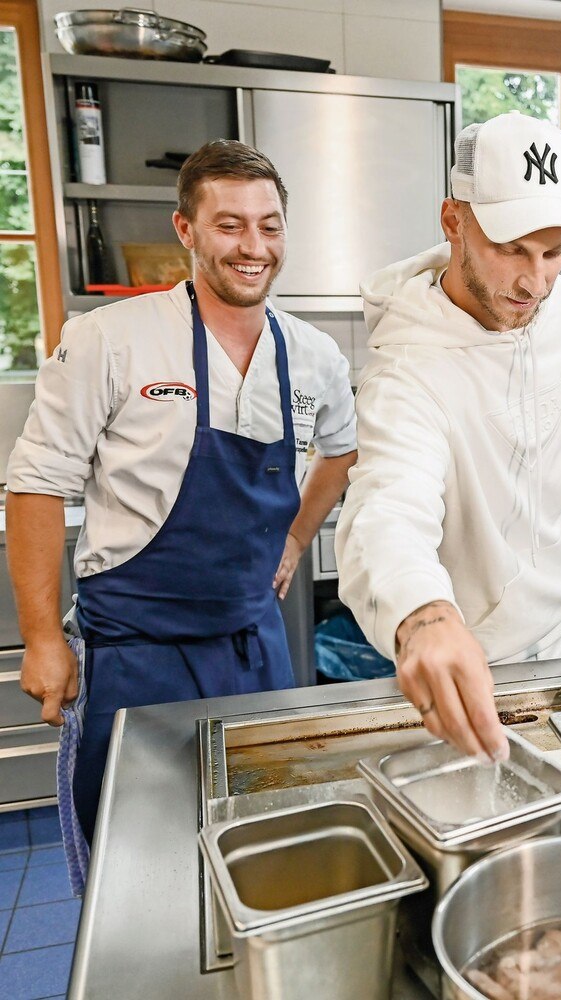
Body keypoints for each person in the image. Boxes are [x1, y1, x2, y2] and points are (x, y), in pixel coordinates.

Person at [6, 140, 358, 846]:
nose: (252, 245)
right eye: (229, 225)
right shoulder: (109, 340)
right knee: (141, 845)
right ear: (186, 230)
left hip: (253, 642)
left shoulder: (312, 354)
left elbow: (342, 451)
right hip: (138, 648)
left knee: (263, 829)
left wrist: (294, 538)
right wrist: (42, 639)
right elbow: (36, 485)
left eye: (269, 224)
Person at [335, 111, 561, 764]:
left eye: (554, 251)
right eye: (511, 247)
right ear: (453, 221)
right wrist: (423, 615)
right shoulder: (409, 367)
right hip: (468, 659)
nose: (534, 282)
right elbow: (387, 505)